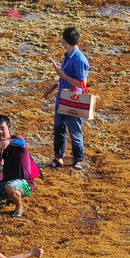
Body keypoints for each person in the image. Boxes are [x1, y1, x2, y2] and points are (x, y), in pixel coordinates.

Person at [43, 26, 90, 169]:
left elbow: (82, 83)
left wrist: (61, 74)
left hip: (73, 100)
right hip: (62, 98)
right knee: (59, 128)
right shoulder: (67, 56)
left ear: (65, 41)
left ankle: (78, 160)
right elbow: (65, 77)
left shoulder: (79, 59)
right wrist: (54, 86)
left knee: (75, 130)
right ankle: (59, 158)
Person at [0, 114, 41, 217]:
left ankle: (20, 208)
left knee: (10, 186)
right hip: (6, 183)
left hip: (25, 183)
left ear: (9, 129)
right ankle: (8, 197)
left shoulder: (17, 140)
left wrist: (8, 142)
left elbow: (22, 143)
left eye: (2, 128)